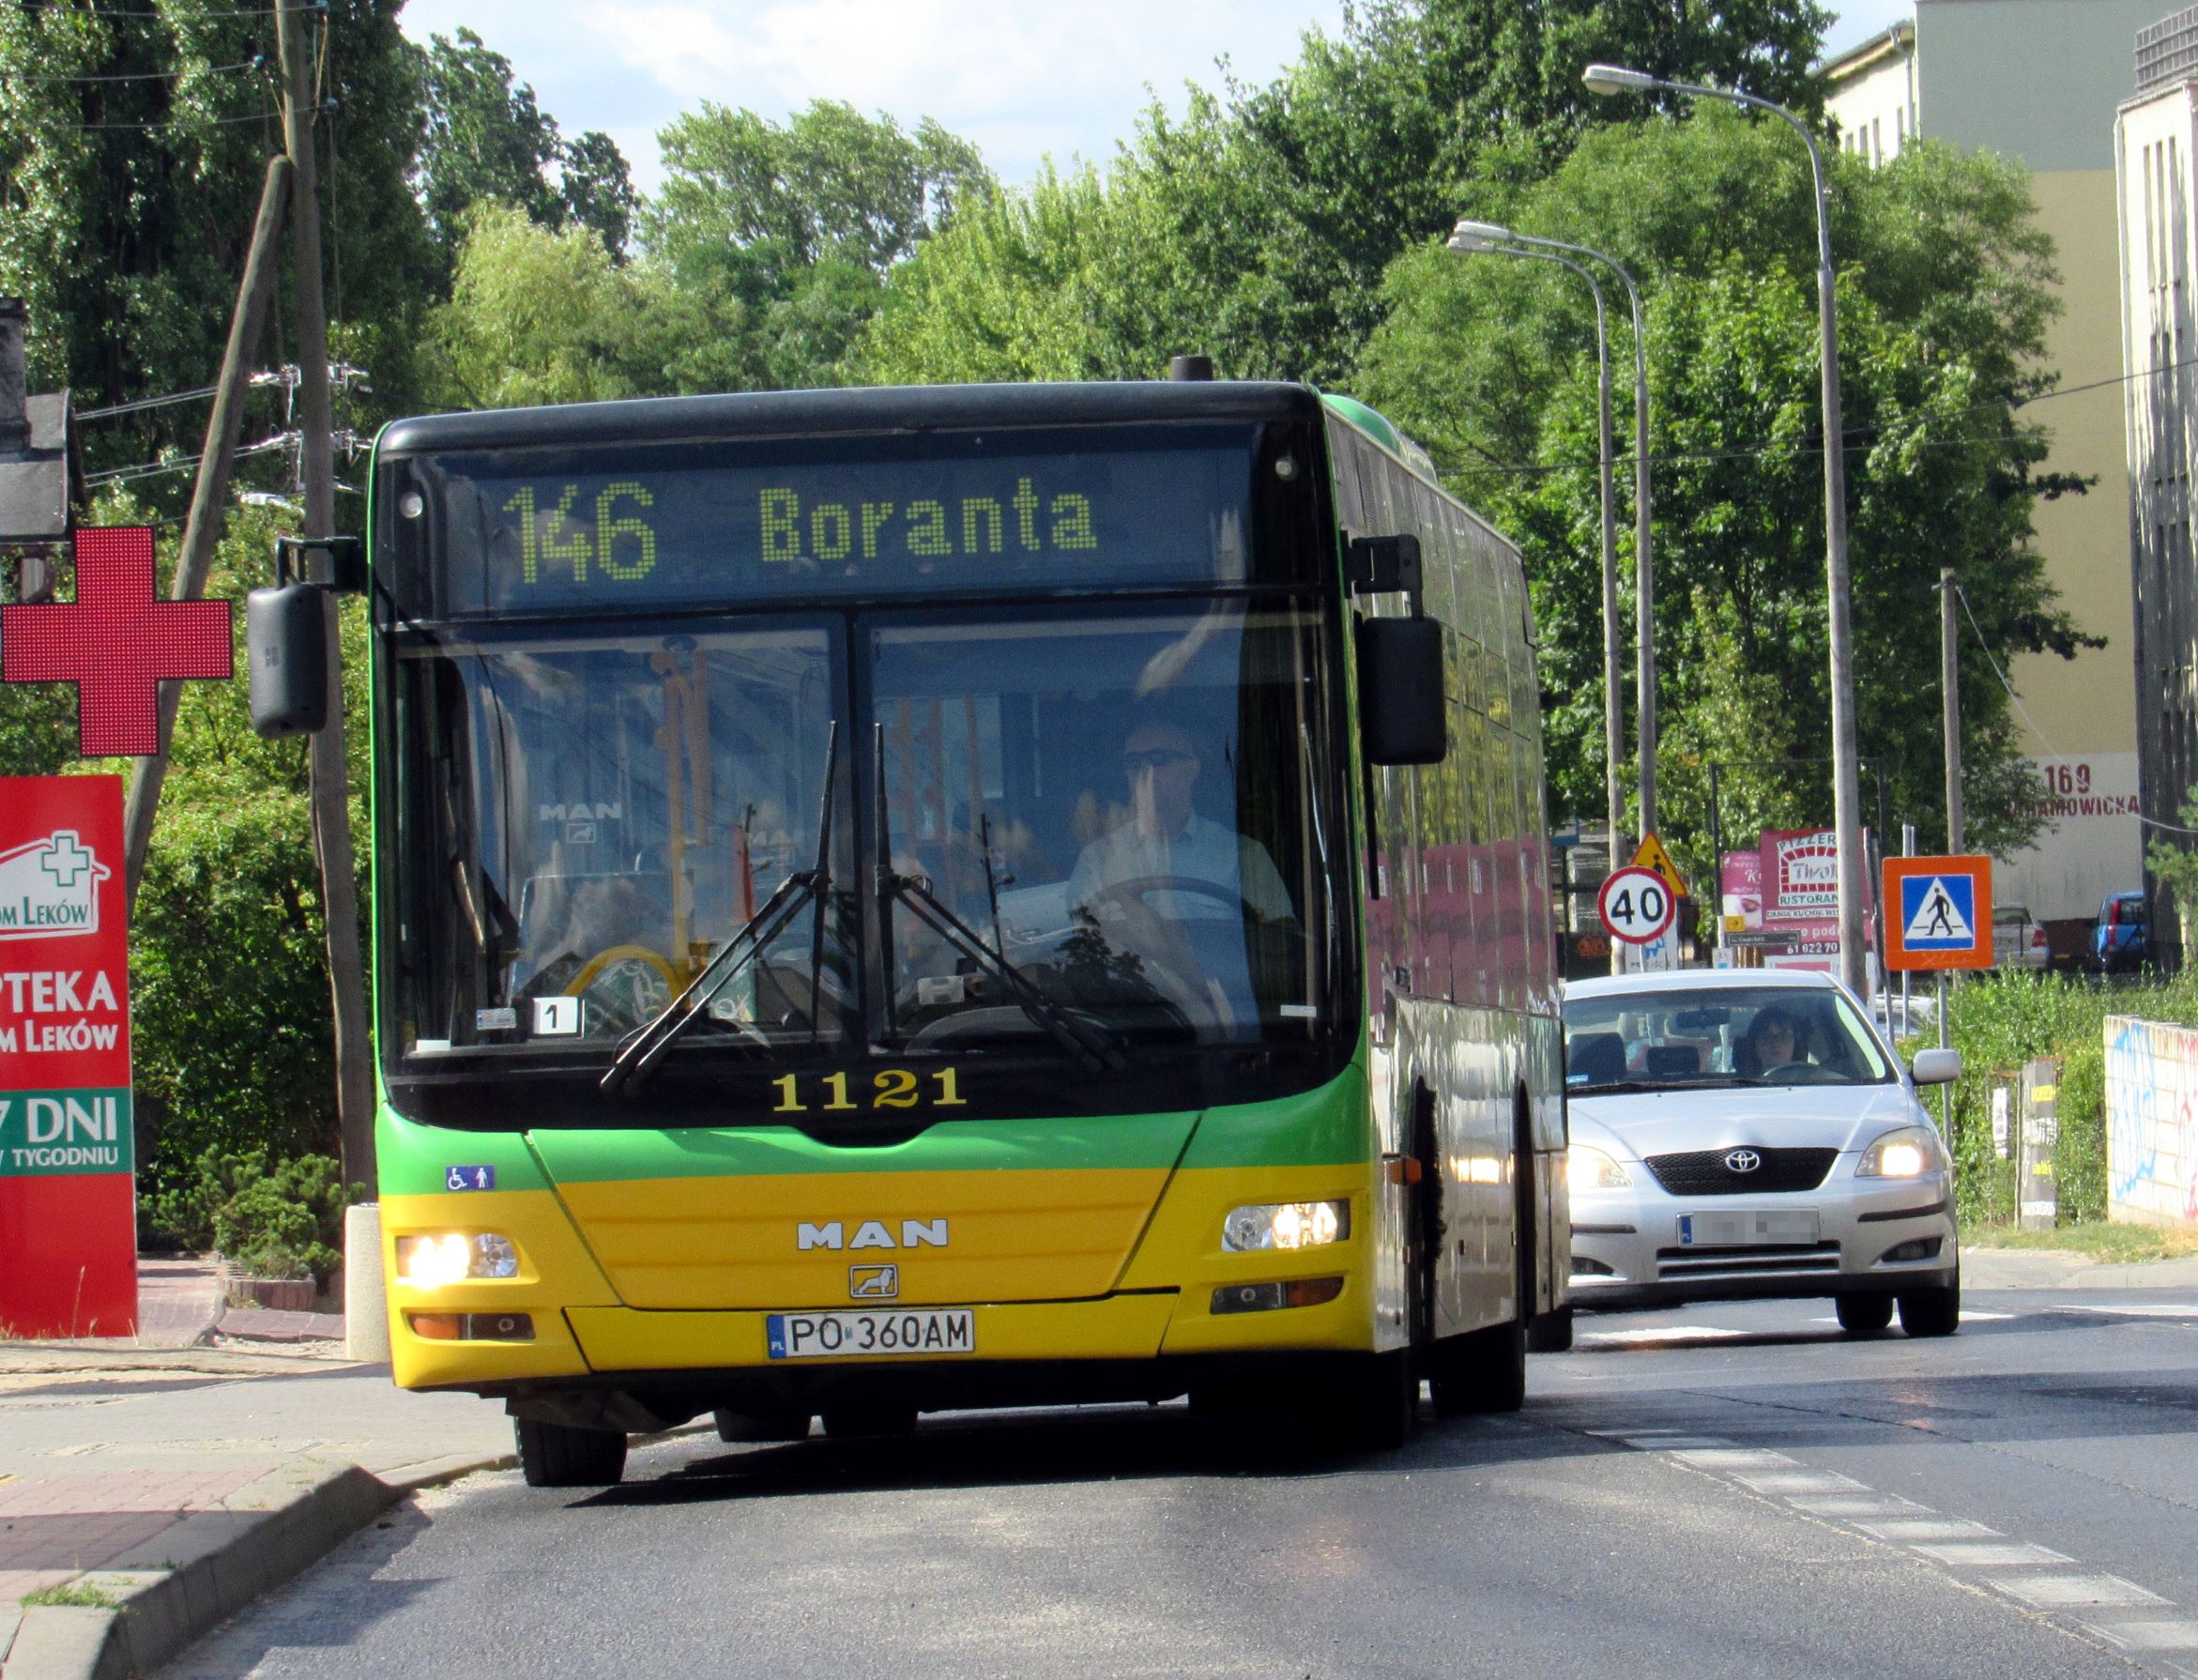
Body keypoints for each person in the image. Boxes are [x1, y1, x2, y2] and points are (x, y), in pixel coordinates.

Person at [1064, 718, 1294, 924]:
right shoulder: (1097, 858)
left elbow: (1280, 947)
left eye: (1158, 758)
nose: (1145, 770)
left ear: (1192, 767)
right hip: (1128, 972)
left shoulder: (1243, 855)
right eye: (1134, 762)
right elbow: (1079, 949)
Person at [1740, 1005, 1804, 1077]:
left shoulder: (1813, 1083)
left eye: (1783, 1036)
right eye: (1767, 1037)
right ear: (1755, 1046)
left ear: (1795, 1044)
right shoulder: (1741, 1086)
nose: (1775, 1043)